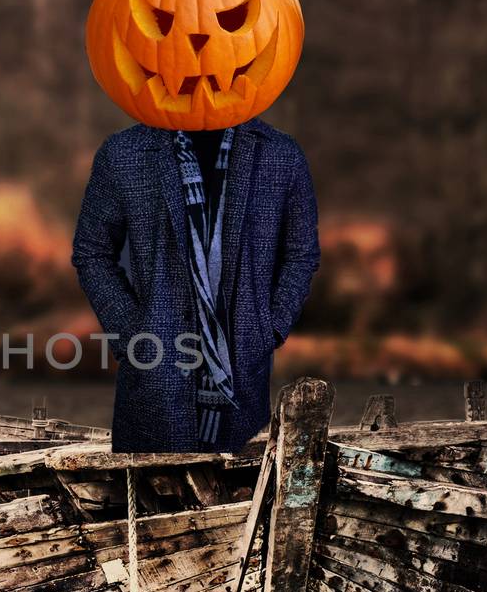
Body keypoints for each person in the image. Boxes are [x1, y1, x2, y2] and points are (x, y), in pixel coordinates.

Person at [72, 119, 319, 452]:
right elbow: (92, 252)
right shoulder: (123, 153)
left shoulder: (281, 155)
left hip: (243, 381)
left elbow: (301, 255)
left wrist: (269, 328)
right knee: (151, 497)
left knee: (243, 492)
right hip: (154, 384)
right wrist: (134, 334)